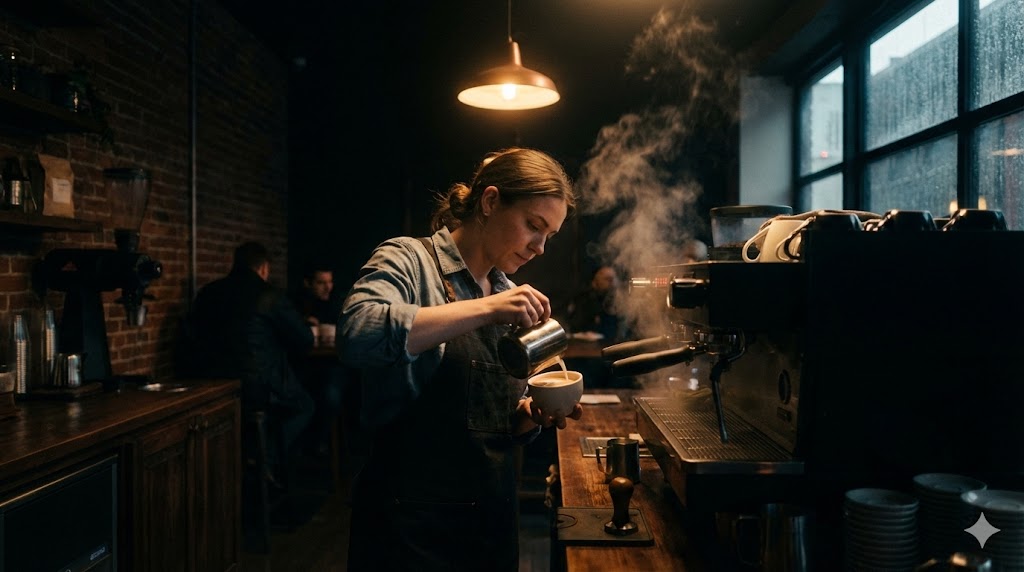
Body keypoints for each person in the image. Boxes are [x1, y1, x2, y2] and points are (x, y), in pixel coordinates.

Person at [337, 147, 584, 571]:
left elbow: (496, 420)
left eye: (549, 236)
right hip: (410, 528)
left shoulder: (507, 292)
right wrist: (487, 308)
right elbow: (358, 333)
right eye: (533, 226)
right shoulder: (410, 260)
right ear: (490, 202)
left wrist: (529, 415)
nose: (540, 247)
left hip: (489, 522)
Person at [190, 241, 314, 486]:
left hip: (209, 386)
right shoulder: (269, 295)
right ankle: (265, 460)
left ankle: (251, 458)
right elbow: (305, 340)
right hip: (255, 387)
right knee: (305, 405)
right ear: (263, 268)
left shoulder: (208, 293)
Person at [566, 265, 622, 342]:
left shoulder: (616, 299)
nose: (611, 283)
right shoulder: (582, 297)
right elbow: (575, 324)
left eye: (613, 279)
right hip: (584, 344)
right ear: (596, 279)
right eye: (608, 279)